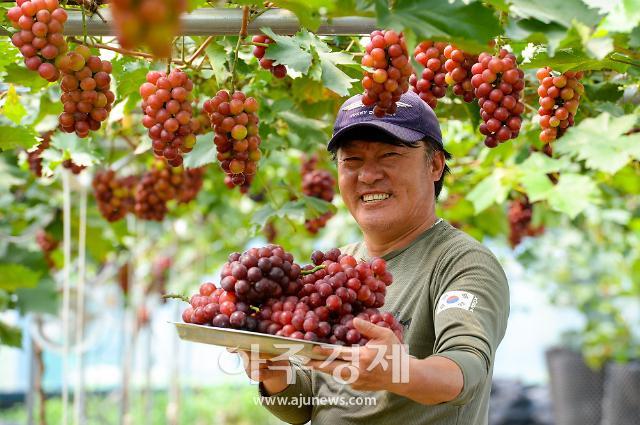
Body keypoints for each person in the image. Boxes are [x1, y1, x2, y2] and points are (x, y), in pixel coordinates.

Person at [239, 90, 510, 425]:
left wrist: (398, 372)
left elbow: (466, 368)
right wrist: (275, 372)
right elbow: (306, 403)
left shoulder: (462, 262)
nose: (368, 175)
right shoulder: (338, 269)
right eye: (351, 161)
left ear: (435, 165)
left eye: (389, 156)